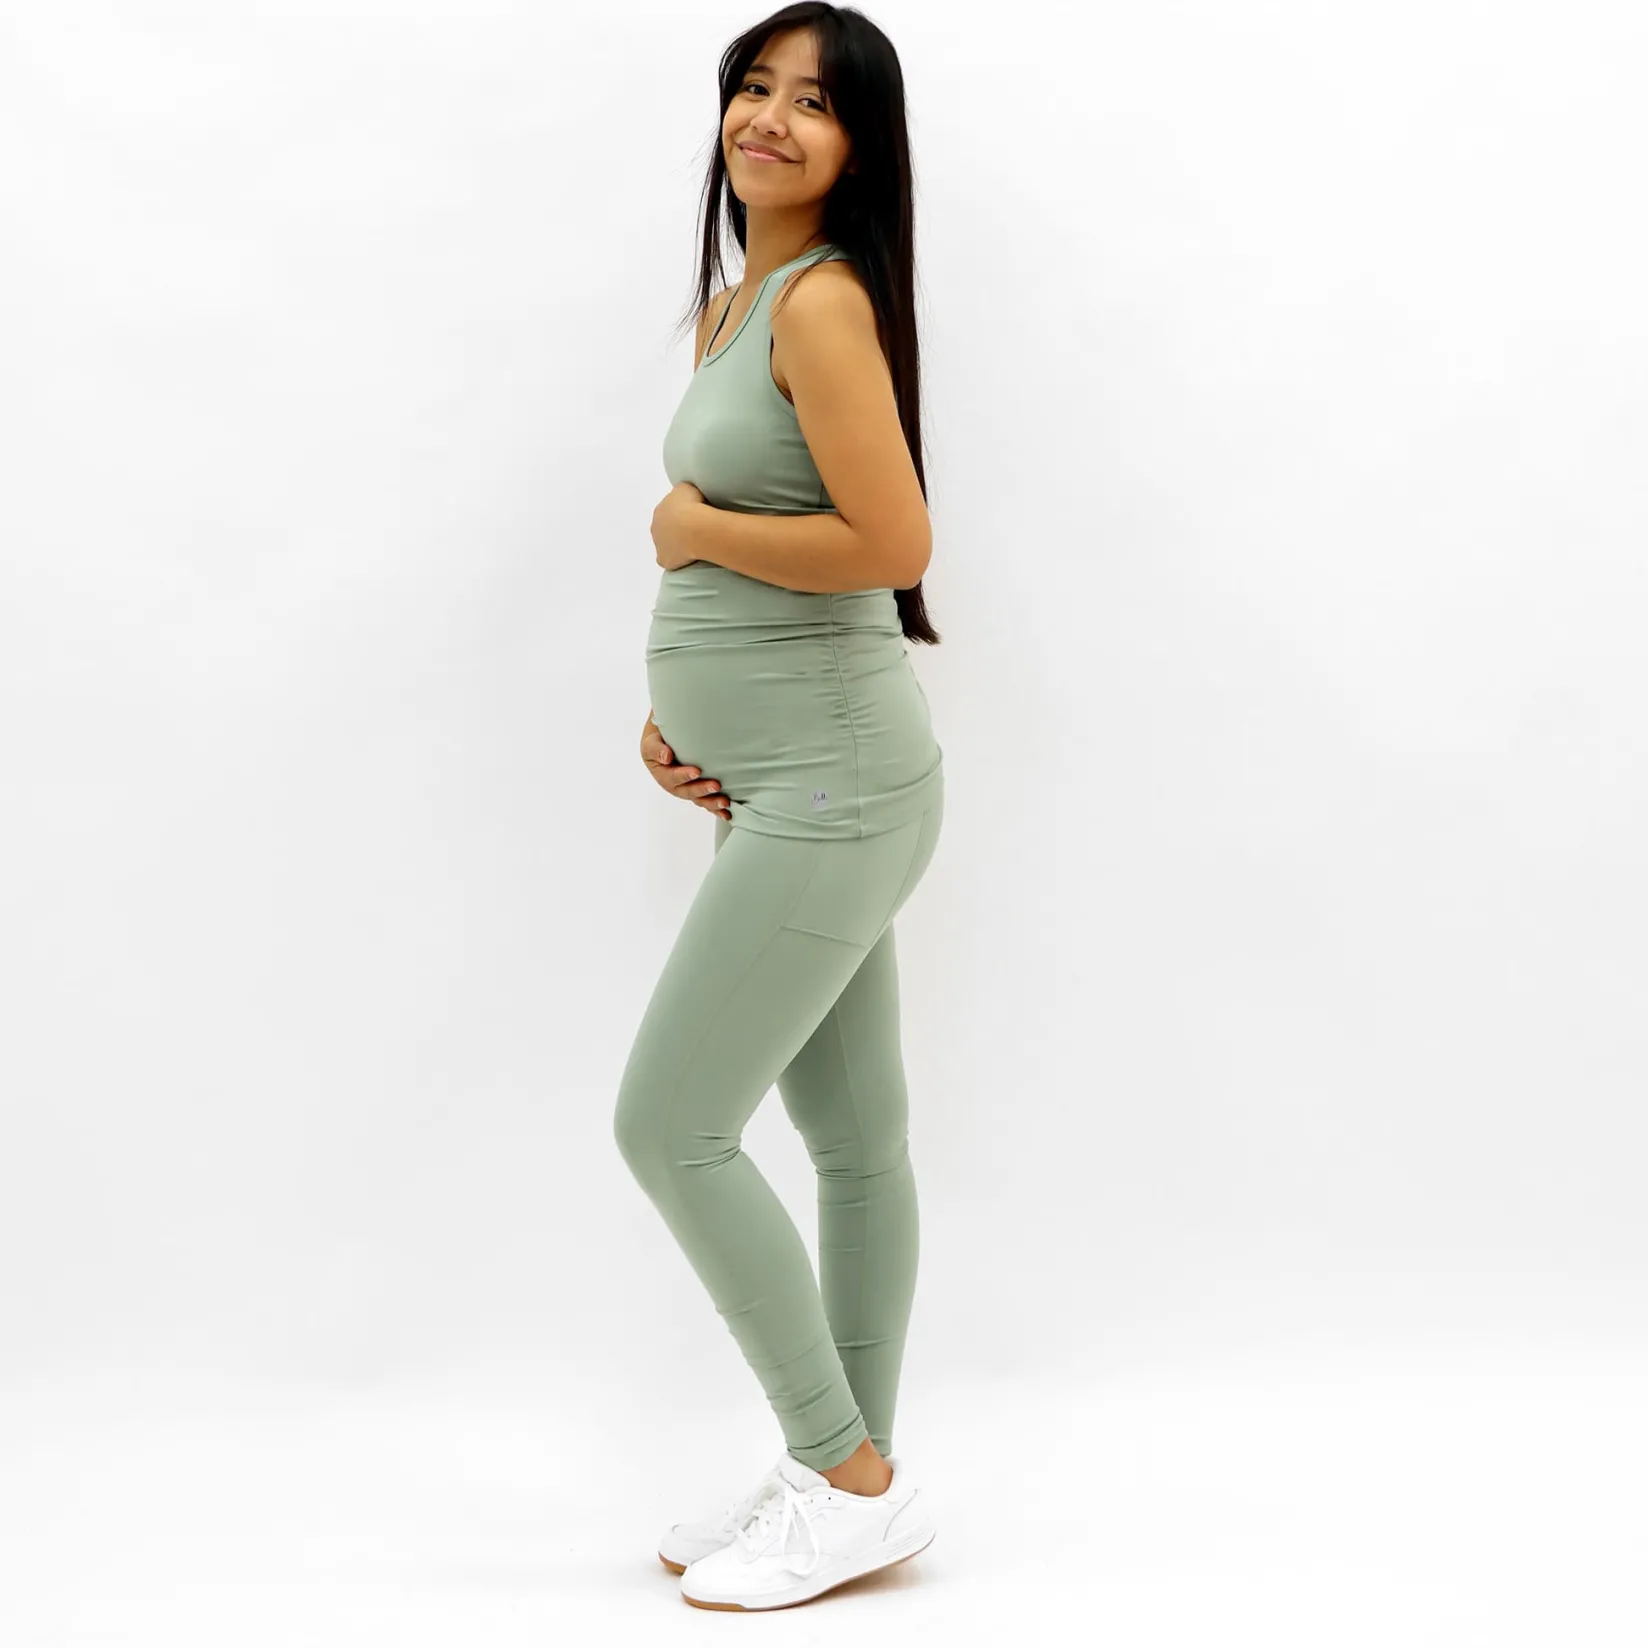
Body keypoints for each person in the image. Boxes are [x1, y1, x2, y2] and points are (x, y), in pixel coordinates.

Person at [613, 5, 946, 1611]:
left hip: (835, 782)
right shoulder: (736, 305)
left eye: (814, 101)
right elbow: (774, 557)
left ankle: (846, 1473)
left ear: (859, 146)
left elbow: (891, 545)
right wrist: (683, 729)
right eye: (754, 86)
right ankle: (845, 1476)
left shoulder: (821, 303)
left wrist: (688, 530)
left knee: (668, 1126)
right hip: (792, 779)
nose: (770, 117)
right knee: (852, 1143)